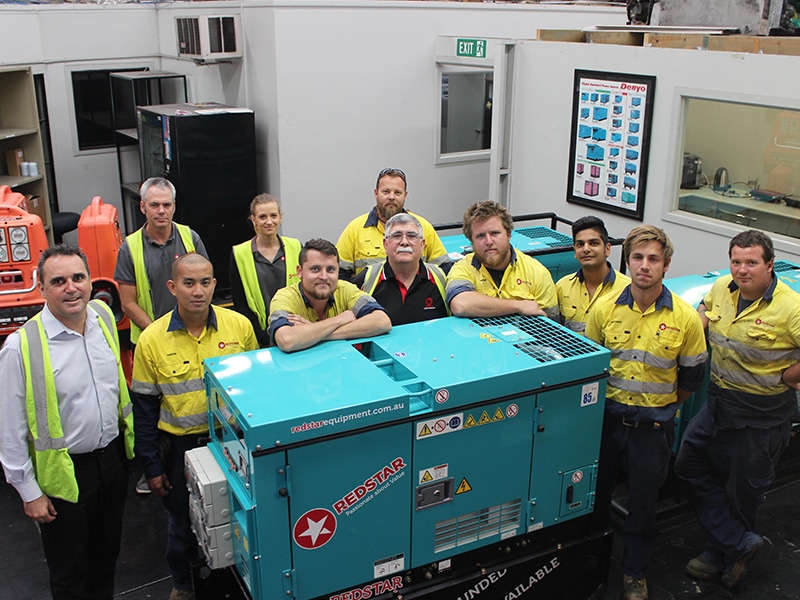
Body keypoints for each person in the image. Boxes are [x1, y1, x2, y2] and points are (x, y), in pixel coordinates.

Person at [0, 244, 134, 600]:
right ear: (41, 288)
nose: (71, 287)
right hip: (65, 476)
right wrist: (28, 492)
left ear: (91, 281)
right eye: (58, 281)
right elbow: (10, 430)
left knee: (106, 560)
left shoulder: (103, 317)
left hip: (113, 462)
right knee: (70, 575)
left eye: (78, 277)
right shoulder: (20, 346)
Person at [585, 225, 707, 600]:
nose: (644, 266)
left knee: (642, 507)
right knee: (594, 498)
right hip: (606, 424)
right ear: (627, 260)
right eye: (637, 257)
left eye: (653, 259)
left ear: (666, 265)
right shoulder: (604, 309)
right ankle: (589, 568)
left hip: (651, 430)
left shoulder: (686, 319)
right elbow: (591, 368)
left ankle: (634, 573)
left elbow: (691, 378)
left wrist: (663, 409)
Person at [675, 230, 800, 590]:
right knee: (688, 464)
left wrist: (789, 376)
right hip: (718, 404)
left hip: (761, 416)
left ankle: (723, 555)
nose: (742, 270)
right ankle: (738, 541)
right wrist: (696, 323)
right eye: (736, 262)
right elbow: (705, 308)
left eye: (751, 263)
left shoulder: (789, 308)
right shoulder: (722, 290)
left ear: (769, 265)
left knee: (742, 492)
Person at [130, 253, 257, 600]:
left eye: (205, 282)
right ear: (173, 287)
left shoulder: (239, 327)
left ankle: (237, 582)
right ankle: (184, 584)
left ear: (215, 284)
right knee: (184, 524)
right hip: (181, 448)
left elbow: (257, 389)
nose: (198, 291)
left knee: (238, 517)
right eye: (188, 283)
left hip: (232, 444)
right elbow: (143, 409)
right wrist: (151, 466)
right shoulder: (152, 340)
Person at [114, 176, 208, 495]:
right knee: (151, 413)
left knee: (191, 402)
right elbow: (127, 302)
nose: (161, 211)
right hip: (149, 344)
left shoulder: (190, 238)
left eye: (166, 204)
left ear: (174, 207)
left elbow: (202, 277)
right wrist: (160, 330)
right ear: (142, 207)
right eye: (154, 204)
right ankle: (153, 470)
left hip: (192, 338)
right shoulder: (129, 248)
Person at [269, 238, 392, 352]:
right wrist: (339, 320)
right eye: (315, 269)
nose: (324, 276)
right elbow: (286, 340)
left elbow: (382, 321)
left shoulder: (345, 289)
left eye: (331, 269)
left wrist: (313, 331)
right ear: (299, 272)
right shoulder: (284, 297)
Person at [445, 200, 559, 320]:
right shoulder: (462, 268)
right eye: (480, 236)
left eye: (494, 233)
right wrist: (518, 306)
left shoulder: (537, 272)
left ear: (508, 234)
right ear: (471, 241)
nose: (489, 242)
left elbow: (553, 324)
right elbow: (460, 304)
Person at [336, 167, 450, 280]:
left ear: (405, 195)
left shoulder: (423, 227)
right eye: (386, 192)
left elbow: (444, 270)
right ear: (376, 193)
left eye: (397, 193)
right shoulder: (355, 229)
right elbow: (339, 274)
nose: (391, 197)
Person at [351, 212, 449, 325]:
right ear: (385, 244)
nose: (404, 242)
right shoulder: (366, 280)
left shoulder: (441, 279)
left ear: (422, 245)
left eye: (411, 236)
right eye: (397, 236)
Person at [230, 193, 301, 347]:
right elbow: (240, 302)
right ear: (253, 219)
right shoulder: (239, 254)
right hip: (259, 337)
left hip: (295, 332)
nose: (269, 221)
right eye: (262, 217)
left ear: (280, 217)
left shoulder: (296, 247)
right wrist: (262, 336)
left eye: (273, 215)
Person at [556, 215, 630, 335]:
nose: (586, 249)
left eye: (593, 243)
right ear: (575, 251)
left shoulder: (627, 290)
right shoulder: (562, 286)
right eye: (580, 244)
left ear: (607, 249)